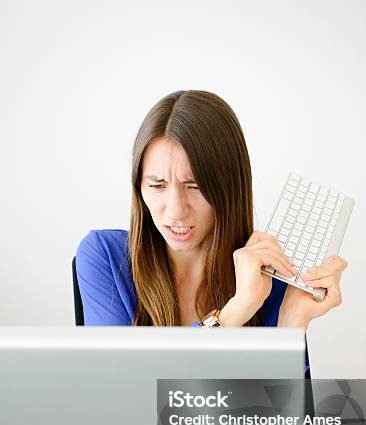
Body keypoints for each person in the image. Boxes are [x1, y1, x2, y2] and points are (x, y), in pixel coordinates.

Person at [76, 90, 347, 332]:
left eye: (194, 186)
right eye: (157, 185)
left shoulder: (269, 279)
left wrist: (292, 321)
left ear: (228, 186)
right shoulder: (106, 257)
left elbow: (279, 390)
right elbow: (119, 384)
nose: (176, 211)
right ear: (139, 187)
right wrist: (235, 311)